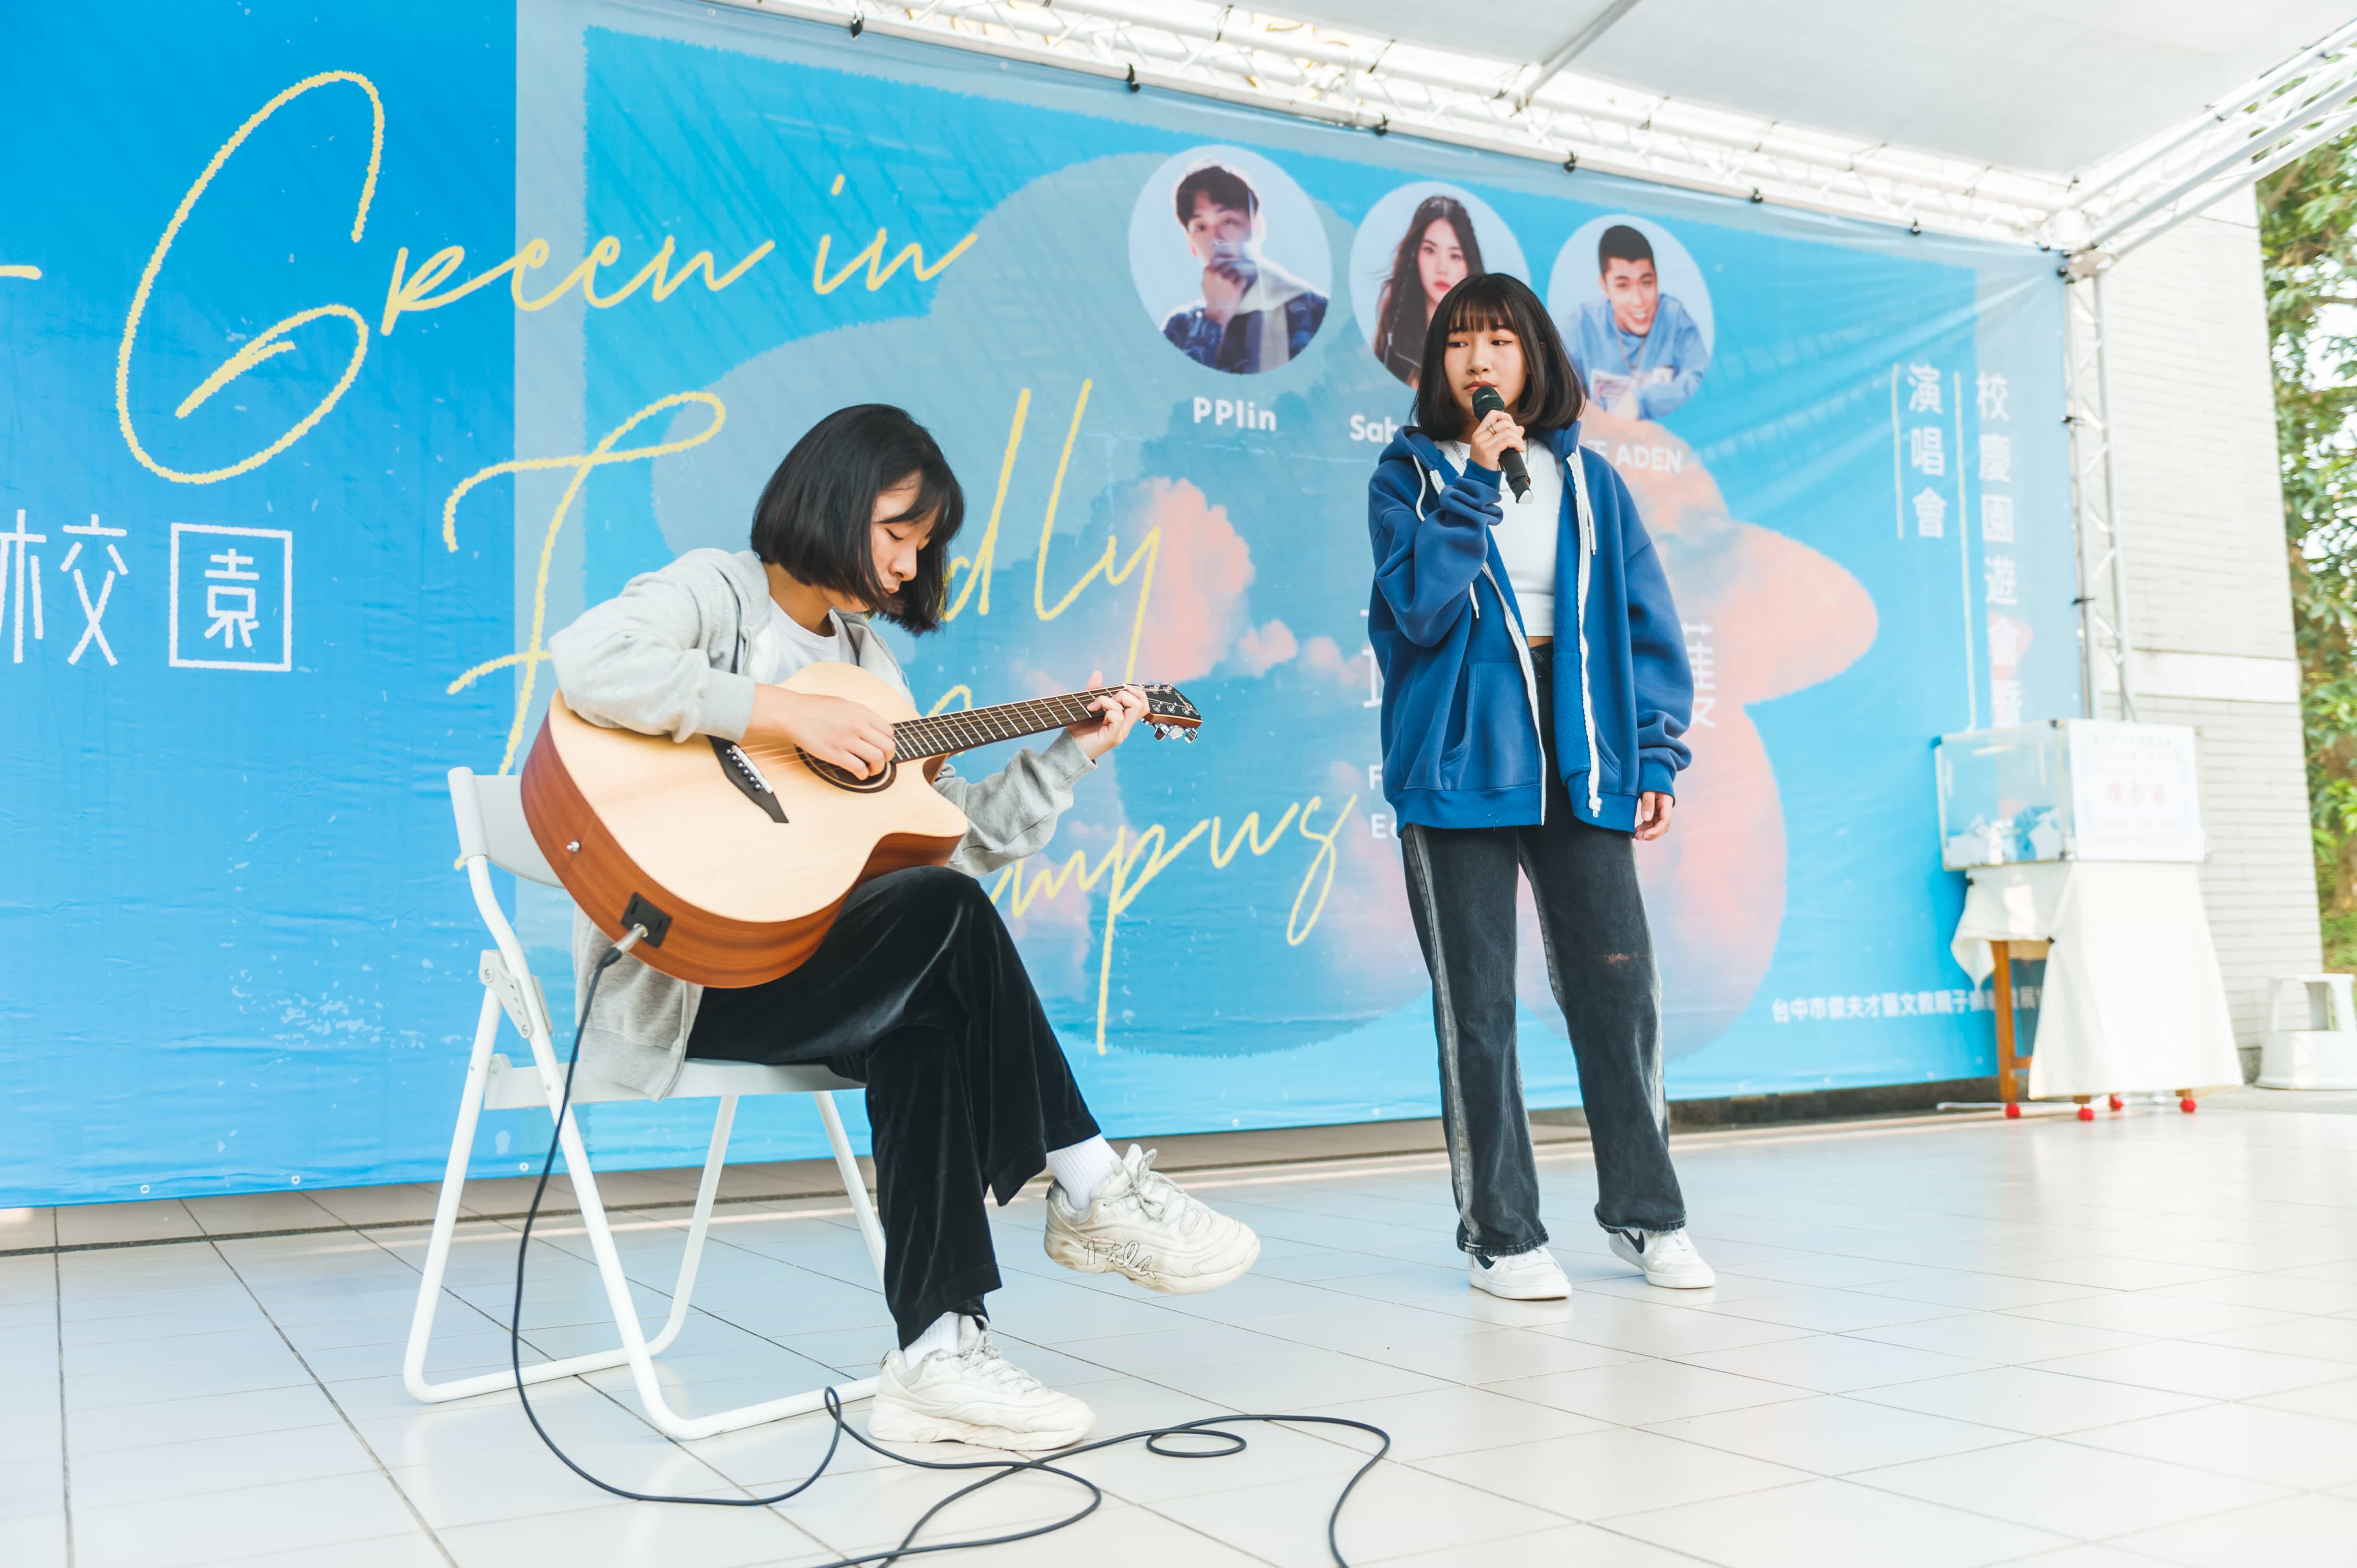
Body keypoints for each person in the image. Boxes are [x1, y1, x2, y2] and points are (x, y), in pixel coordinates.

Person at [547, 404, 1260, 1452]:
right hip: (691, 975)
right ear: (830, 500)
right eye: (895, 531)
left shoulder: (873, 674)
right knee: (942, 933)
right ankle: (1088, 1182)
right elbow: (588, 661)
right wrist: (784, 715)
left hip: (816, 970)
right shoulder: (715, 593)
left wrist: (1068, 757)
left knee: (927, 1006)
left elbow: (949, 851)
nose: (906, 563)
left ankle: (936, 1355)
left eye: (923, 544)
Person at [1364, 273, 1714, 1303]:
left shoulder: (1591, 482)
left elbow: (1646, 623)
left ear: (1536, 360)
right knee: (1478, 1005)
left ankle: (1647, 1215)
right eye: (1459, 343)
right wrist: (1476, 480)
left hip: (1583, 742)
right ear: (1438, 366)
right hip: (1458, 754)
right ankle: (1502, 1235)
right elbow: (1421, 608)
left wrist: (1655, 754)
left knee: (1618, 989)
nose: (1479, 360)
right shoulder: (1408, 475)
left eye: (1500, 342)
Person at [1160, 162, 1329, 374]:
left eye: (1228, 221)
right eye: (1201, 227)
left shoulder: (1316, 311)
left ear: (1257, 226)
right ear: (1191, 243)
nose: (1216, 239)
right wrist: (1216, 317)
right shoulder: (1180, 328)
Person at [1563, 224, 1710, 421]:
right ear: (1605, 287)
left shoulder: (1675, 318)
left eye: (1646, 283)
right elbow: (1561, 393)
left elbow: (1700, 382)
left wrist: (1639, 400)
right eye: (1623, 286)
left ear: (1657, 280)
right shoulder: (1581, 325)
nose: (1638, 301)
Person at [1371, 193, 1485, 387]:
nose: (1442, 269)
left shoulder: (1484, 350)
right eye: (1430, 251)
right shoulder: (1393, 342)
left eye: (1455, 256)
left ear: (1469, 263)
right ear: (1415, 256)